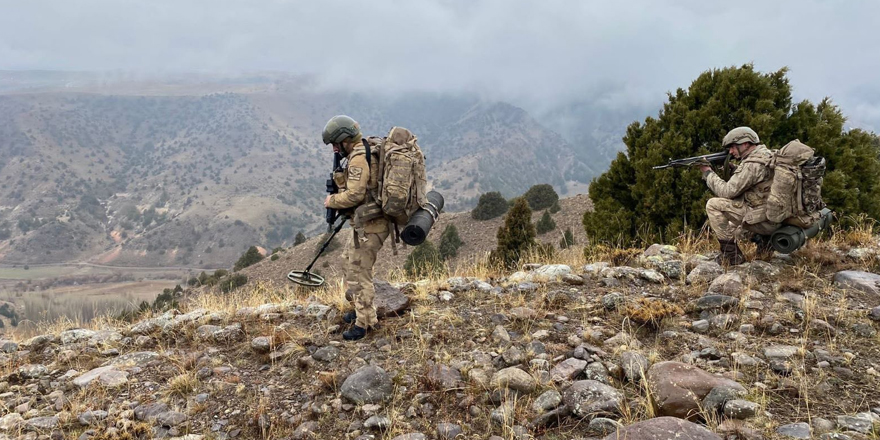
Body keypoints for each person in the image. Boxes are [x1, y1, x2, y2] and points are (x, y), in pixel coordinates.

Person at [321, 115, 387, 341]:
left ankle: (366, 324)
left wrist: (333, 202)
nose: (334, 149)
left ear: (344, 139)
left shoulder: (359, 158)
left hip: (372, 225)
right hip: (365, 223)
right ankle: (362, 309)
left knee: (360, 273)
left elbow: (356, 194)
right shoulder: (361, 150)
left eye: (335, 144)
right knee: (348, 262)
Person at [699, 127, 779, 265]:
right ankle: (766, 245)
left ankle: (732, 256)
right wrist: (734, 169)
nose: (730, 151)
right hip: (776, 215)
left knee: (713, 205)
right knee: (733, 227)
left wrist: (708, 174)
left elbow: (727, 192)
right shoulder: (768, 155)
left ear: (746, 144)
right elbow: (757, 181)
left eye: (733, 147)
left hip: (765, 219)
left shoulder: (751, 164)